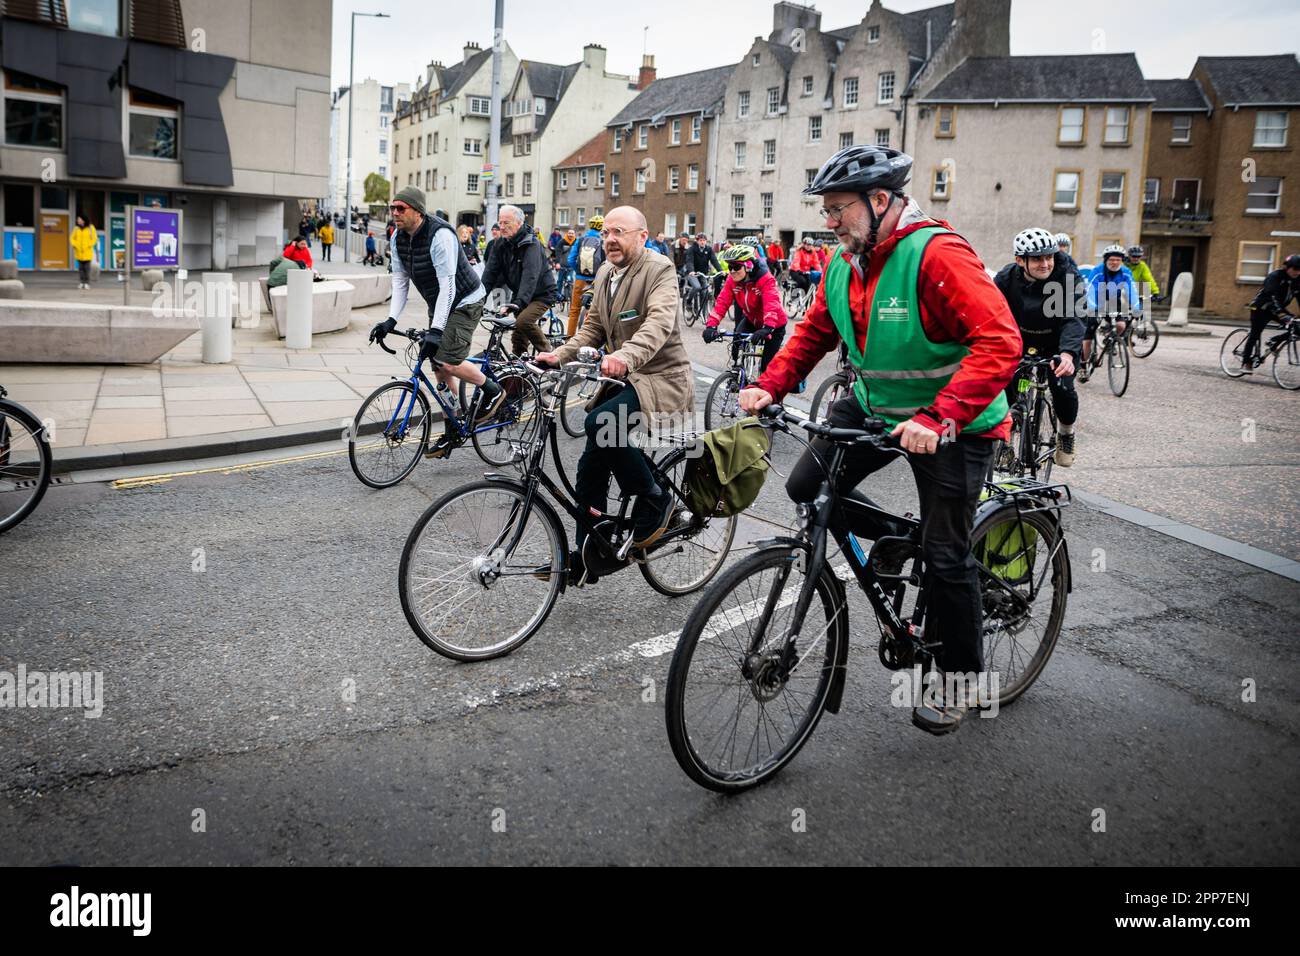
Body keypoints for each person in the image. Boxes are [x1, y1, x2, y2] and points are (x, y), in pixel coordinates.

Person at [737, 145, 1020, 735]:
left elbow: (999, 341)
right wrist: (770, 385)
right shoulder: (845, 262)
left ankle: (961, 680)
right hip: (874, 408)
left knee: (947, 555)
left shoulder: (937, 254)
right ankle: (898, 539)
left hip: (955, 423)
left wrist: (937, 417)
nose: (829, 221)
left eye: (838, 208)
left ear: (882, 201)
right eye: (827, 209)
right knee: (806, 484)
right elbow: (814, 330)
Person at [535, 206, 695, 581]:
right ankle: (585, 556)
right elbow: (591, 328)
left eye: (619, 232)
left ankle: (657, 500)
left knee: (601, 422)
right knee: (590, 464)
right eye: (606, 232)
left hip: (660, 379)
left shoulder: (659, 270)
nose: (609, 239)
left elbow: (658, 323)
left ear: (642, 236)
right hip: (624, 379)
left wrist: (624, 356)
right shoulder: (605, 273)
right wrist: (556, 356)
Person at [367, 186, 501, 459]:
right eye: (393, 208)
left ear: (417, 210)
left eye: (400, 208)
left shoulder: (440, 235)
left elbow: (448, 285)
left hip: (465, 300)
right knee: (439, 367)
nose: (394, 213)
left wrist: (437, 330)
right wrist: (391, 320)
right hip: (438, 302)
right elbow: (400, 282)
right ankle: (454, 424)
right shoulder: (397, 238)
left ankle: (493, 390)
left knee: (449, 359)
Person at [994, 228, 1087, 467]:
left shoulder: (1067, 276)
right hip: (1021, 340)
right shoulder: (1005, 279)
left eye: (1049, 257)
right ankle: (1008, 434)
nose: (1045, 264)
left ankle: (1065, 433)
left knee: (1062, 387)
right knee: (1005, 384)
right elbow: (989, 313)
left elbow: (1074, 317)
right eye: (1037, 259)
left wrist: (1067, 353)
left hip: (1057, 343)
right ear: (1020, 260)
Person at [481, 204, 559, 356]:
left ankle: (551, 357)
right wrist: (478, 299)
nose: (502, 227)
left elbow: (530, 276)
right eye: (500, 222)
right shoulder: (500, 244)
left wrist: (518, 303)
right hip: (521, 295)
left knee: (523, 321)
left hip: (541, 294)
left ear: (519, 223)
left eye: (506, 223)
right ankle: (519, 373)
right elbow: (489, 273)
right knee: (518, 338)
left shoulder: (531, 244)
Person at [702, 244, 788, 374]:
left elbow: (772, 304)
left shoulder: (765, 279)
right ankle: (738, 376)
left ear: (748, 266)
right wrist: (711, 326)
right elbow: (722, 302)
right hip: (751, 320)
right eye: (730, 267)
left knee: (767, 368)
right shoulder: (732, 280)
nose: (732, 271)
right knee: (736, 343)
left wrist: (768, 327)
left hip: (774, 325)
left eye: (736, 267)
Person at [1241, 253, 1300, 371]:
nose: (1297, 272)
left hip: (1278, 309)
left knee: (1297, 328)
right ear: (1287, 267)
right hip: (1261, 308)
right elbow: (1271, 296)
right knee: (1255, 334)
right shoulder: (1274, 276)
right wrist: (1283, 315)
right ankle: (1246, 362)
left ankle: (1274, 340)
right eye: (1295, 269)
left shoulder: (1297, 281)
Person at [1084, 245, 1138, 366]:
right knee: (1089, 333)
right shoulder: (1097, 271)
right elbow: (1090, 291)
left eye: (1118, 260)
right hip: (1096, 301)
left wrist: (1137, 306)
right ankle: (1082, 364)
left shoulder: (1126, 272)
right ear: (1106, 260)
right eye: (1111, 260)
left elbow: (1132, 291)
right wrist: (1093, 307)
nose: (1115, 262)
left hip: (1114, 301)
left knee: (1121, 325)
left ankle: (1110, 341)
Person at [566, 214, 606, 338]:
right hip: (596, 281)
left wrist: (579, 271)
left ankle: (569, 338)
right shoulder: (602, 241)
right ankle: (588, 338)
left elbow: (571, 259)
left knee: (574, 310)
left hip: (580, 279)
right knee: (596, 311)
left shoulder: (580, 240)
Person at [684, 232, 722, 301]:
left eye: (704, 240)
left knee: (705, 290)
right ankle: (688, 301)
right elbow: (690, 261)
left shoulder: (709, 249)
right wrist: (691, 271)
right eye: (700, 240)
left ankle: (703, 311)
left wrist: (720, 270)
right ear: (697, 241)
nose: (702, 242)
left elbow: (714, 261)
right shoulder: (691, 249)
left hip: (703, 274)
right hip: (692, 274)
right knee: (697, 287)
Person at [70, 215, 98, 290]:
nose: (78, 220)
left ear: (83, 220)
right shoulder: (76, 228)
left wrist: (89, 245)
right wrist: (74, 245)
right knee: (81, 269)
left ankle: (87, 283)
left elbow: (94, 238)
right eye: (77, 219)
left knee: (87, 269)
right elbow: (72, 238)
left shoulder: (90, 228)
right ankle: (81, 282)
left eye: (79, 219)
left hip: (87, 252)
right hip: (78, 252)